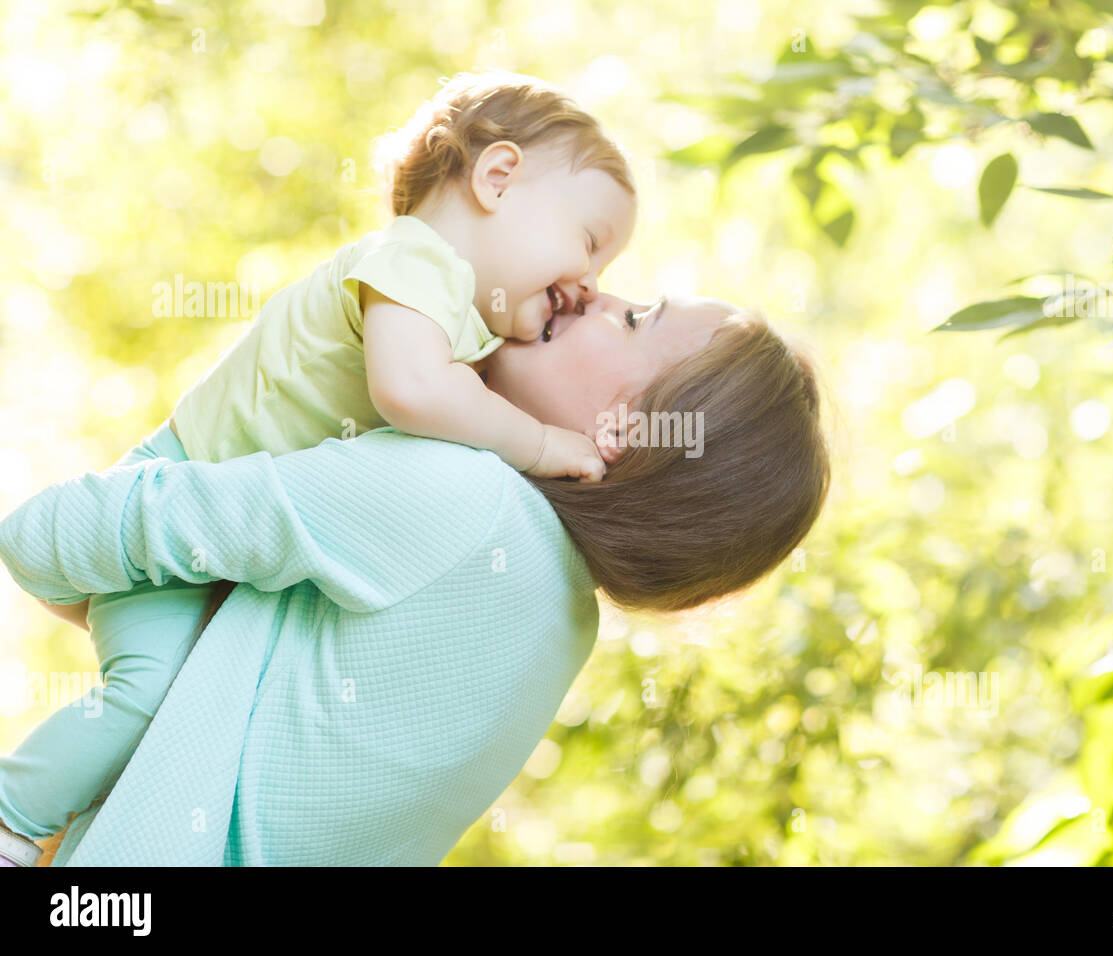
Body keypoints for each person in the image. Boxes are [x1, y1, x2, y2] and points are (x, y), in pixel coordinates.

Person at [0, 69, 640, 854]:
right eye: (589, 242)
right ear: (497, 177)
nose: (588, 285)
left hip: (216, 556)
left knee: (174, 722)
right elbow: (408, 392)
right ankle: (13, 817)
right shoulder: (412, 266)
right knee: (149, 694)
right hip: (172, 491)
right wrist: (541, 443)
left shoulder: (458, 328)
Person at [0, 291, 831, 864]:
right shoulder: (563, 626)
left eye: (635, 316)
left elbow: (48, 536)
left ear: (626, 436)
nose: (589, 293)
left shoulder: (459, 494)